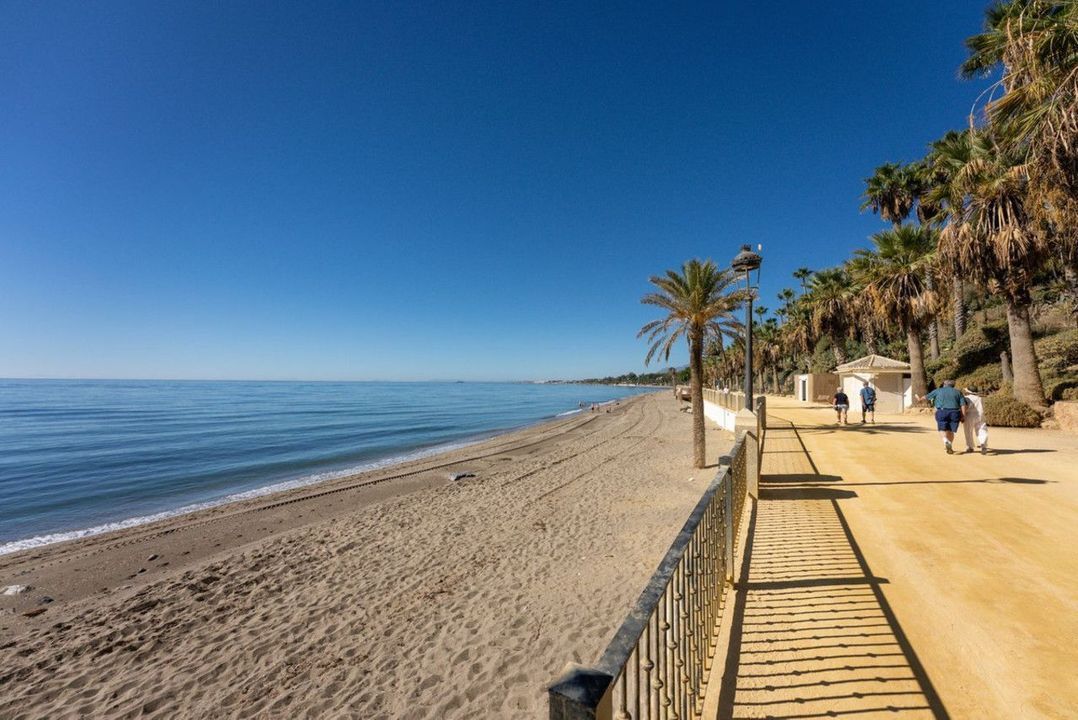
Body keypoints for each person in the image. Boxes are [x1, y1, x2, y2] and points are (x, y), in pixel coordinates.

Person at [923, 380, 968, 454]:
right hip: (955, 412)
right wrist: (963, 415)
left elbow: (926, 397)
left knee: (942, 429)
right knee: (950, 430)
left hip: (942, 411)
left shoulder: (938, 390)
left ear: (944, 384)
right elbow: (963, 405)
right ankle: (949, 445)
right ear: (953, 385)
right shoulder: (958, 392)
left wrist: (920, 399)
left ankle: (946, 441)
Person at [962, 387, 989, 455]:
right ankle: (983, 443)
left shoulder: (966, 398)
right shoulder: (980, 398)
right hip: (980, 415)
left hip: (969, 415)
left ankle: (970, 447)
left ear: (968, 391)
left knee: (968, 431)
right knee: (982, 429)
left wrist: (962, 416)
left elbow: (964, 407)